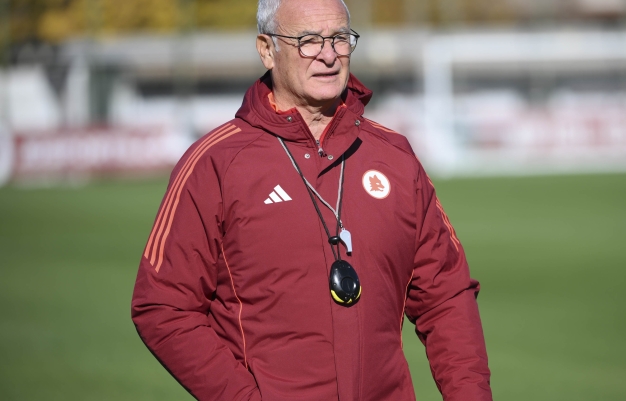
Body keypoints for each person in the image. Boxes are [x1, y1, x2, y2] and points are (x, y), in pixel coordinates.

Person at [131, 0, 492, 399]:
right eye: (307, 40)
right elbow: (163, 307)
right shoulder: (215, 163)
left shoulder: (394, 157)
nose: (328, 54)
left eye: (339, 38)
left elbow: (446, 296)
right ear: (267, 50)